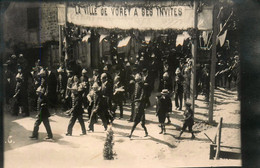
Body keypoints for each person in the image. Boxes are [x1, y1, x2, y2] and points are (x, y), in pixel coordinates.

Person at [128, 73, 148, 138]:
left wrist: (138, 100)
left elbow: (142, 94)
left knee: (140, 123)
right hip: (137, 103)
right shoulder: (136, 84)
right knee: (139, 122)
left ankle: (131, 133)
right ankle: (131, 133)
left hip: (141, 104)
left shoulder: (142, 85)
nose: (136, 81)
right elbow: (135, 93)